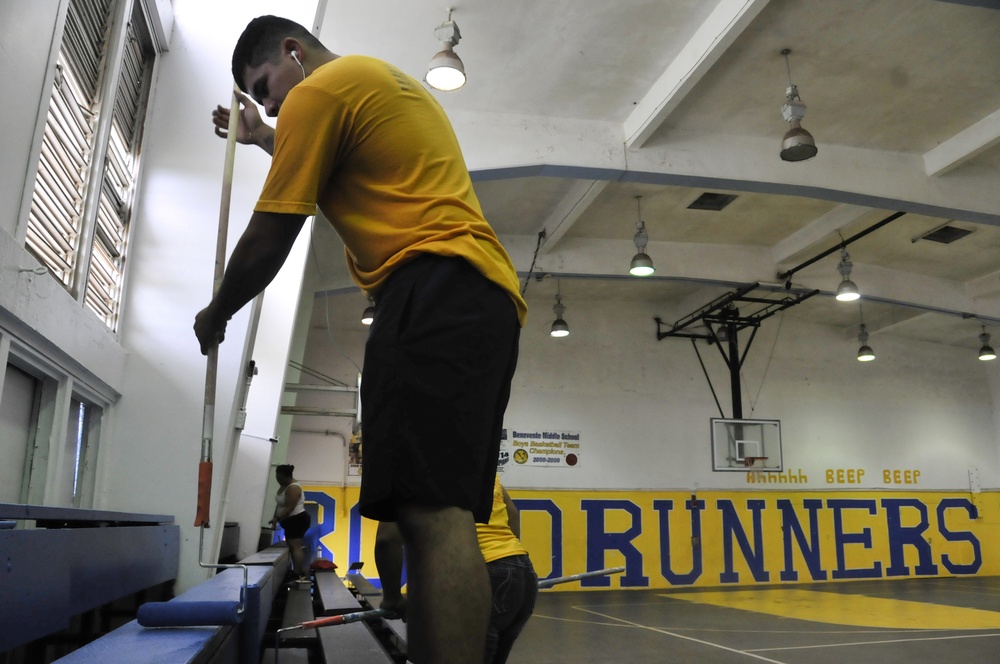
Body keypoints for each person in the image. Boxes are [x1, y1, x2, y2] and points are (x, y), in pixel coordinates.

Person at [194, 15, 526, 664]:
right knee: (440, 516)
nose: (270, 106)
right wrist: (267, 138)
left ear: (293, 52)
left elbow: (272, 232)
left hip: (430, 291)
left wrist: (217, 312)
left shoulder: (320, 90)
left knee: (432, 519)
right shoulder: (366, 83)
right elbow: (339, 168)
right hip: (475, 296)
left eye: (267, 89)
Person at [375, 474, 538, 664]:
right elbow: (513, 514)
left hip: (482, 574)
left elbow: (386, 540)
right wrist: (509, 560)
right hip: (523, 572)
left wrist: (392, 598)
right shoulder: (482, 469)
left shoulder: (411, 468)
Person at [269, 464, 310, 582]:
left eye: (280, 478)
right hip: (291, 520)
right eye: (277, 478)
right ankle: (296, 571)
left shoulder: (293, 488)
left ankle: (298, 573)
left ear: (288, 476)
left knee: (295, 546)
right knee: (292, 546)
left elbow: (289, 508)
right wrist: (274, 517)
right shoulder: (284, 485)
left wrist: (277, 518)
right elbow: (280, 504)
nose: (278, 480)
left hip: (298, 519)